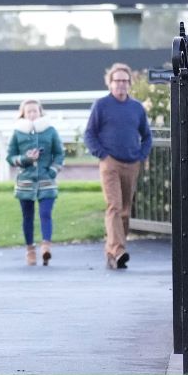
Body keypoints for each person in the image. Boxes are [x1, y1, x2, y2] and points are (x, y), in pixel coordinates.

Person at [83, 62, 151, 270]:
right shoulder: (101, 105)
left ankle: (112, 253)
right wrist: (102, 154)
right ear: (110, 83)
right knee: (114, 206)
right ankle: (119, 249)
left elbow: (146, 136)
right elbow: (89, 134)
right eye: (117, 81)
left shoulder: (136, 108)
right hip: (110, 162)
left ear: (129, 83)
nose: (121, 84)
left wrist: (141, 155)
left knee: (125, 211)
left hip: (132, 163)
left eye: (124, 81)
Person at [6, 98, 63, 267]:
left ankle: (46, 246)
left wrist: (52, 171)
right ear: (23, 113)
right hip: (26, 181)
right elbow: (10, 157)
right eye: (28, 111)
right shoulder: (17, 133)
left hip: (46, 180)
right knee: (27, 217)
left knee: (46, 213)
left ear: (40, 112)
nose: (32, 114)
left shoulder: (50, 131)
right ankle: (30, 250)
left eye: (35, 111)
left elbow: (59, 154)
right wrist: (25, 159)